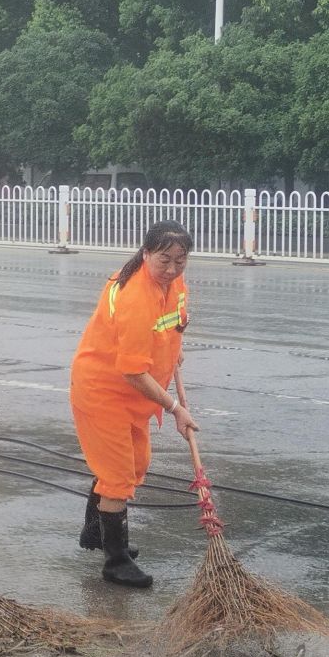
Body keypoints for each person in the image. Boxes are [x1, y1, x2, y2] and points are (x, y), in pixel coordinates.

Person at [69, 220, 198, 588]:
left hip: (133, 397)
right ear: (146, 254)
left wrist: (175, 348)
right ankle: (116, 561)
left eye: (180, 261)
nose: (172, 269)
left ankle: (95, 532)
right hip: (104, 391)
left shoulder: (172, 283)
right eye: (164, 261)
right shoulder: (135, 296)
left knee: (137, 463)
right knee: (118, 477)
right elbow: (132, 372)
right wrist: (175, 409)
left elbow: (175, 321)